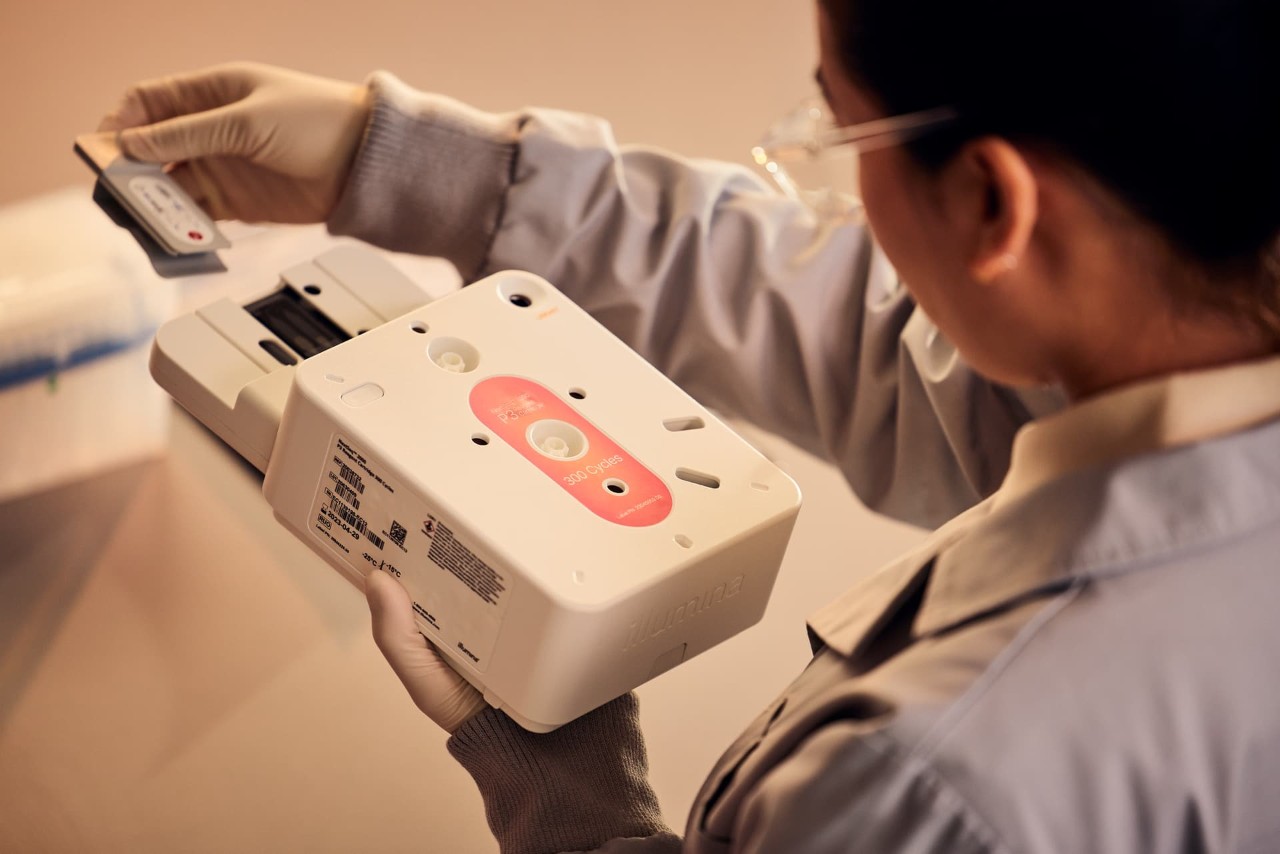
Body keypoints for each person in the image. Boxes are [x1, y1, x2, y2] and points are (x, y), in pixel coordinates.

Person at [99, 0, 1280, 849]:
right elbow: (890, 340)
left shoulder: (924, 788)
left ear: (988, 200)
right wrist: (404, 161)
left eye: (835, 130)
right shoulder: (1186, 336)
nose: (838, 190)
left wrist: (573, 802)